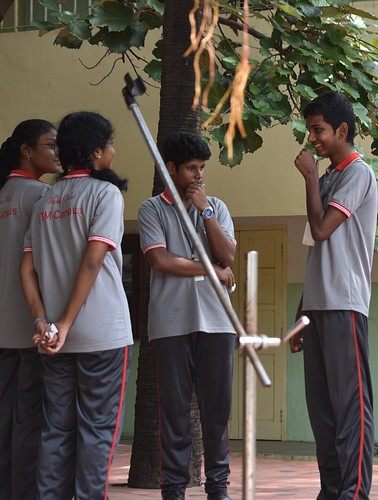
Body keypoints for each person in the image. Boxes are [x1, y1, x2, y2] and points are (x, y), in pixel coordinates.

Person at [19, 111, 133, 499]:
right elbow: (92, 261)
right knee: (97, 432)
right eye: (110, 145)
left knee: (56, 430)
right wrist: (67, 322)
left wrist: (43, 321)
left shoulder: (45, 200)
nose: (113, 152)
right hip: (101, 335)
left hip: (54, 338)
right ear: (96, 152)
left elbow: (26, 269)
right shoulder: (106, 194)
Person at [137, 131, 236, 500]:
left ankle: (218, 487)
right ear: (171, 168)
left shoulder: (217, 207)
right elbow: (159, 259)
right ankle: (174, 489)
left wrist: (205, 211)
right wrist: (211, 270)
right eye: (191, 168)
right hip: (171, 325)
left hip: (218, 323)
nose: (199, 175)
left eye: (202, 168)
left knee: (217, 411)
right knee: (175, 413)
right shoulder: (151, 209)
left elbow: (227, 256)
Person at [291, 91, 377, 499]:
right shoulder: (327, 178)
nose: (312, 138)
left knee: (350, 407)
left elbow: (323, 228)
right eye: (310, 130)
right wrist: (302, 310)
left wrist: (310, 178)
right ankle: (332, 490)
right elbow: (315, 247)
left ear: (342, 130)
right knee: (322, 409)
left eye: (318, 130)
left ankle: (354, 492)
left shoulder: (358, 172)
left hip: (345, 303)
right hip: (317, 306)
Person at [0, 119, 60, 499]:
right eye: (50, 145)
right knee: (30, 423)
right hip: (31, 328)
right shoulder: (41, 196)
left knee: (5, 420)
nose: (57, 152)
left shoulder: (4, 193)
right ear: (26, 150)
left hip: (4, 331)